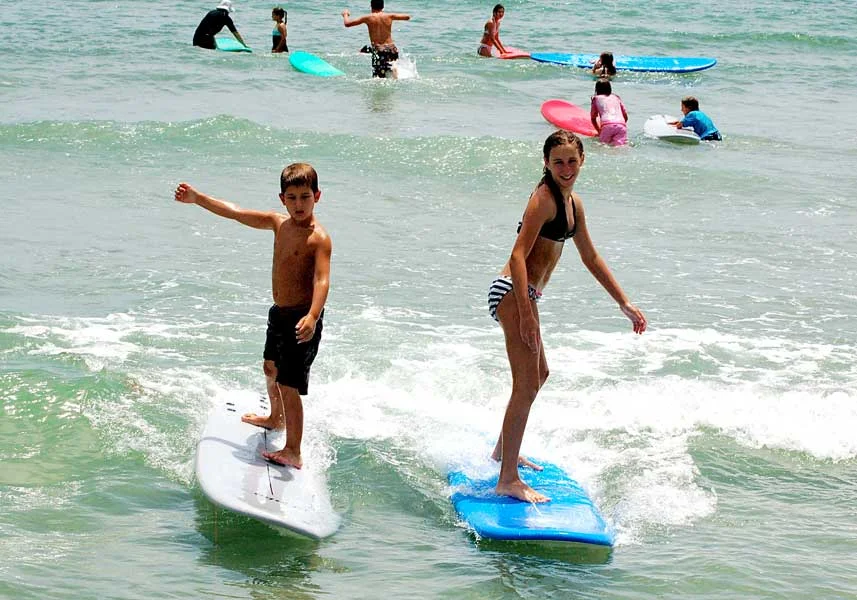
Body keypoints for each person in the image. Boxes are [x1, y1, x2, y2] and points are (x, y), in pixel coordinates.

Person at [487, 131, 647, 503]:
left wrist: (623, 303)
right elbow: (517, 256)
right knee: (525, 384)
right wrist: (526, 315)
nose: (565, 168)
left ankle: (502, 451)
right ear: (546, 163)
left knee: (538, 375)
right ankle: (507, 478)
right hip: (514, 293)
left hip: (526, 295)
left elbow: (590, 257)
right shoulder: (543, 199)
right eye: (557, 161)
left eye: (572, 161)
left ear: (582, 162)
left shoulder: (573, 204)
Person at [174, 164, 332, 469]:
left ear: (317, 196)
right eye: (292, 198)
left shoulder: (319, 239)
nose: (299, 204)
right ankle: (276, 418)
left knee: (289, 385)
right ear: (282, 198)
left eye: (305, 197)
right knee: (271, 368)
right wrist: (197, 198)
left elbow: (321, 281)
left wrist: (312, 316)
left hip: (302, 321)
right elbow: (235, 212)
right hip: (279, 315)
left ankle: (294, 450)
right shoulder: (278, 223)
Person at [342, 0, 411, 78]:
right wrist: (393, 16)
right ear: (383, 7)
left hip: (379, 50)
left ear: (371, 6)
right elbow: (407, 17)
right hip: (392, 49)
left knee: (378, 78)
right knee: (392, 71)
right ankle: (394, 73)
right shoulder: (389, 16)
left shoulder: (368, 18)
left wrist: (345, 14)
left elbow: (347, 24)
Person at [590, 78, 629, 146]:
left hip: (607, 125)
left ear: (596, 89)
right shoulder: (616, 97)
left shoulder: (596, 99)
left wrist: (599, 131)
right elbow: (625, 116)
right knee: (620, 147)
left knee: (603, 145)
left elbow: (593, 118)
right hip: (621, 125)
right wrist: (618, 125)